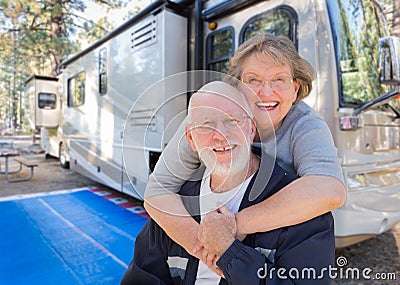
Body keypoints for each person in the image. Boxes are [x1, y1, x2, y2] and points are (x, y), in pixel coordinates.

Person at [143, 33, 345, 267]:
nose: (266, 92)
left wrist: (235, 226)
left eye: (279, 79)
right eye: (254, 80)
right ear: (236, 86)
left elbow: (330, 189)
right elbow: (157, 190)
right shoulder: (205, 116)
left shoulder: (304, 124)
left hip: (273, 246)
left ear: (295, 87)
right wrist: (205, 249)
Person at [121, 81, 335, 284]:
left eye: (232, 121)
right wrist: (203, 246)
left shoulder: (302, 212)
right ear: (190, 139)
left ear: (252, 130)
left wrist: (230, 253)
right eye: (206, 125)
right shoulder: (175, 208)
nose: (220, 136)